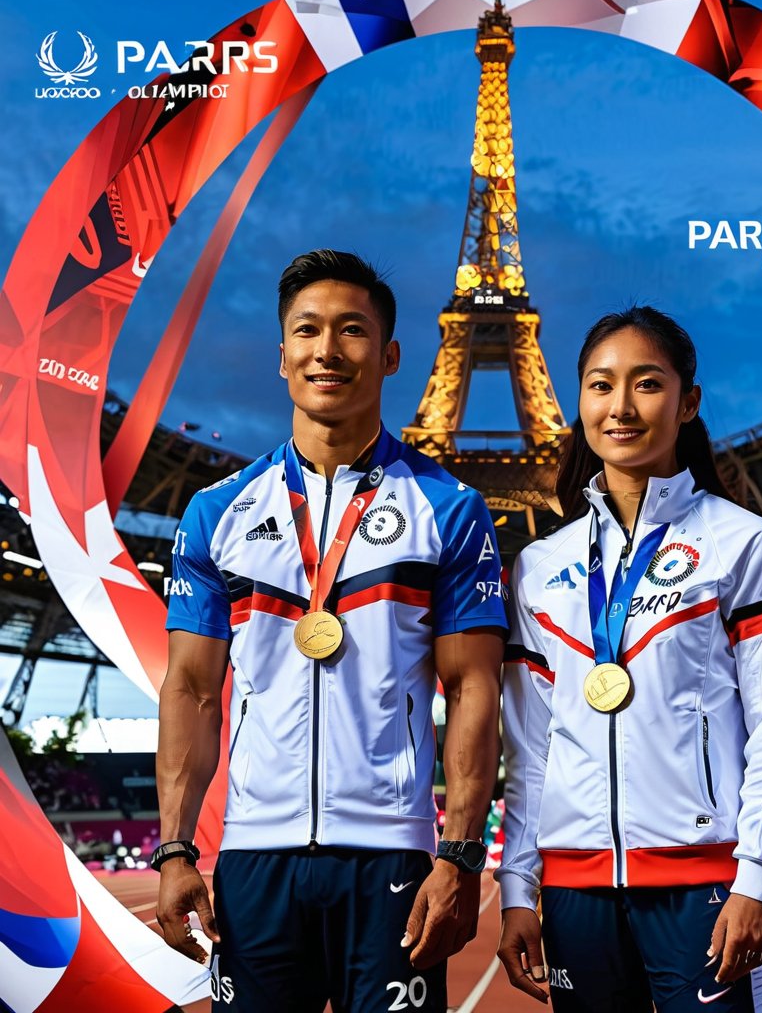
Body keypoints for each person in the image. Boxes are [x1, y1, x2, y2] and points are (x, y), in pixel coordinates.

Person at [155, 250, 507, 1012]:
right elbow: (191, 688)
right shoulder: (218, 513)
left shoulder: (448, 507)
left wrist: (460, 853)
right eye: (307, 330)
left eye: (351, 331)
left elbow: (474, 685)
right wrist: (177, 847)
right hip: (255, 857)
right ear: (282, 355)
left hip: (393, 854)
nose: (327, 349)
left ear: (389, 355)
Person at [495, 307, 762, 1012]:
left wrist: (757, 878)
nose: (622, 407)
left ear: (688, 402)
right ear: (578, 402)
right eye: (602, 386)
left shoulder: (745, 545)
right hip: (574, 895)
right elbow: (530, 748)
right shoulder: (541, 567)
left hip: (706, 886)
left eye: (647, 384)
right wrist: (519, 888)